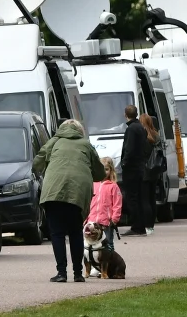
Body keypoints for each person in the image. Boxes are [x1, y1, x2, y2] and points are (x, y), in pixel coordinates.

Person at [33, 119, 104, 283]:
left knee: (57, 233)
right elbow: (100, 173)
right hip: (77, 193)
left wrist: (46, 169)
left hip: (53, 191)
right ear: (80, 131)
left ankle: (61, 273)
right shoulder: (86, 145)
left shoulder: (54, 141)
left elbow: (37, 163)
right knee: (75, 232)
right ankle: (78, 274)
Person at [118, 105, 148, 235]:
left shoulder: (131, 129)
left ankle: (136, 226)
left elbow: (129, 149)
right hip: (140, 167)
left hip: (132, 169)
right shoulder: (140, 127)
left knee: (132, 198)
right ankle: (141, 225)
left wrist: (124, 163)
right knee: (139, 197)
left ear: (126, 114)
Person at [88, 157, 122, 251]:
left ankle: (110, 262)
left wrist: (114, 219)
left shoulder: (113, 186)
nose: (104, 172)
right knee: (91, 243)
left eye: (106, 169)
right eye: (102, 169)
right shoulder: (93, 184)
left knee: (108, 243)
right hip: (92, 220)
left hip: (106, 222)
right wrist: (86, 217)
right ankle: (95, 262)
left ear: (111, 170)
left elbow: (117, 204)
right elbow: (88, 201)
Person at [137, 113, 163, 230]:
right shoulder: (156, 135)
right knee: (152, 198)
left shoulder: (142, 136)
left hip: (144, 170)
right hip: (154, 170)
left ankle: (146, 224)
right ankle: (152, 223)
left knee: (144, 199)